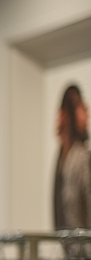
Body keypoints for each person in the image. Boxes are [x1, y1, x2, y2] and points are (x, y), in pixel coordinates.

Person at [55, 84, 91, 229]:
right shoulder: (63, 157)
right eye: (82, 107)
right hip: (71, 245)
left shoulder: (82, 156)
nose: (87, 113)